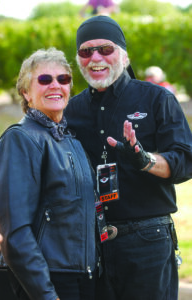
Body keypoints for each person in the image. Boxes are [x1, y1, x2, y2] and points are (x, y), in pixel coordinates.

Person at [64, 15, 192, 300]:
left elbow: (185, 161)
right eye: (86, 51)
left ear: (123, 54)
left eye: (105, 49)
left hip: (148, 239)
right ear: (79, 59)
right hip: (90, 243)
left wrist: (144, 160)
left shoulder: (157, 99)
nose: (95, 57)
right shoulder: (71, 110)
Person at [0, 47, 97, 300]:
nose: (56, 85)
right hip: (43, 281)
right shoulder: (20, 139)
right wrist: (46, 294)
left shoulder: (71, 141)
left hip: (81, 278)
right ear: (25, 92)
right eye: (44, 79)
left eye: (63, 79)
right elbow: (16, 231)